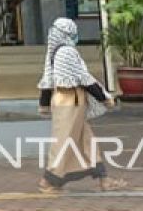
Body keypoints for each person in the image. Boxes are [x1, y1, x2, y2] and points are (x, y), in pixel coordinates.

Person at [37, 18, 126, 193]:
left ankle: (104, 179)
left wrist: (44, 104)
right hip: (70, 101)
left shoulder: (53, 52)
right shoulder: (67, 52)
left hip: (64, 100)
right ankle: (49, 180)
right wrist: (104, 97)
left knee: (87, 140)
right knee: (63, 141)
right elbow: (84, 78)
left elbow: (47, 80)